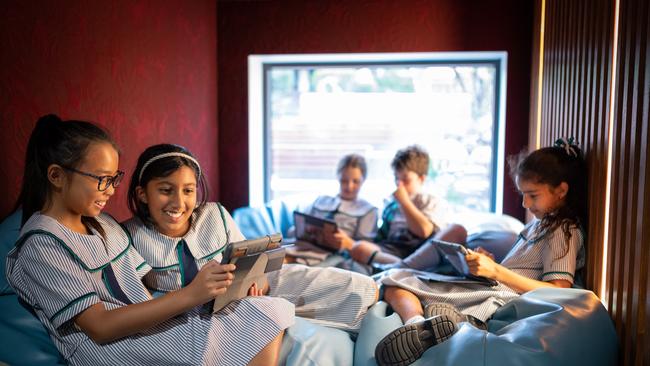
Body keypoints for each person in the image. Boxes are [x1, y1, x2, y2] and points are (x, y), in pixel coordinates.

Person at [6, 115, 294, 366]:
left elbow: (146, 287)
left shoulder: (104, 225)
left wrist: (212, 291)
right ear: (56, 176)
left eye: (114, 179)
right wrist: (192, 295)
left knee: (263, 308)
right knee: (265, 315)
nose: (111, 190)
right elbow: (100, 327)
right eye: (102, 179)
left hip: (150, 327)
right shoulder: (41, 245)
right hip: (110, 349)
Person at [372, 139, 587, 366]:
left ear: (561, 190)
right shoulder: (539, 224)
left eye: (533, 195)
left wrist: (496, 271)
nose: (525, 203)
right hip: (490, 288)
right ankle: (425, 325)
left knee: (395, 282)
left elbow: (559, 291)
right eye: (523, 194)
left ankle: (434, 323)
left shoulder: (564, 230)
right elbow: (520, 270)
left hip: (497, 298)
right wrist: (489, 265)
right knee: (396, 281)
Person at [123, 144, 378, 332]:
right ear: (142, 194)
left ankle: (397, 318)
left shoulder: (215, 214)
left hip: (254, 290)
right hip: (203, 313)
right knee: (272, 312)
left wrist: (257, 285)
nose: (179, 202)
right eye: (166, 190)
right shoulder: (130, 236)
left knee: (360, 287)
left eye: (188, 190)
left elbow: (252, 266)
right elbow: (141, 306)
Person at [349, 145, 463, 266]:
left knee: (456, 230)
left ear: (421, 179)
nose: (399, 185)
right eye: (396, 179)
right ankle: (403, 267)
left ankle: (405, 266)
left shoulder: (430, 201)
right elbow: (382, 237)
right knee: (359, 248)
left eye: (406, 180)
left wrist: (405, 202)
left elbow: (424, 231)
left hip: (421, 252)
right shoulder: (392, 205)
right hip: (391, 253)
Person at [303, 153, 378, 252]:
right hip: (307, 247)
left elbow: (366, 251)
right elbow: (294, 229)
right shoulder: (320, 201)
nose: (349, 187)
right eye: (344, 180)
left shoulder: (368, 211)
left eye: (355, 181)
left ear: (363, 180)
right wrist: (305, 230)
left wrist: (348, 243)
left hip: (339, 256)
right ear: (338, 177)